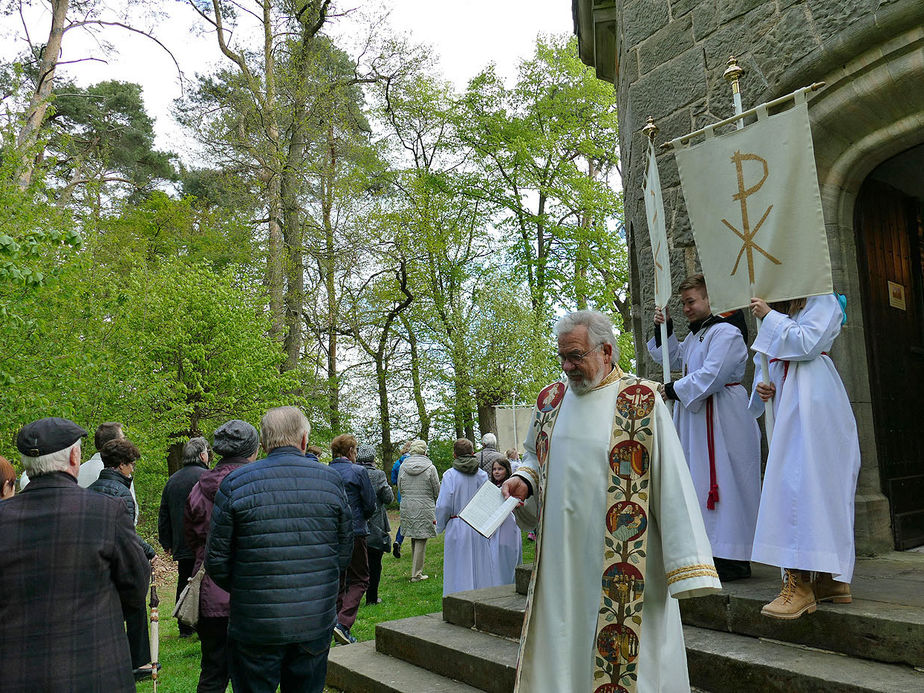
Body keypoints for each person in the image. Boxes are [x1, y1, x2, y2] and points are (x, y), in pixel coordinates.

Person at [502, 310, 721, 692]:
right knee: (563, 648)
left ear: (606, 350)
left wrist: (688, 565)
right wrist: (523, 480)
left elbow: (671, 480)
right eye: (563, 357)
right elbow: (536, 459)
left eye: (576, 356)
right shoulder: (551, 401)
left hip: (624, 562)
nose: (568, 367)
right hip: (561, 563)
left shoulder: (640, 400)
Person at [206, 406, 353, 693]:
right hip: (310, 617)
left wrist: (248, 589)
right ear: (303, 440)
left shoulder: (235, 483)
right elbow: (344, 551)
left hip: (257, 622)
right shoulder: (329, 481)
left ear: (263, 444)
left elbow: (217, 560)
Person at [0, 417, 151, 692]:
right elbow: (136, 585)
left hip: (18, 673)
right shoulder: (107, 512)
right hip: (96, 670)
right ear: (74, 456)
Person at [748, 294, 860, 619]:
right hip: (787, 398)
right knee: (794, 484)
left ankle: (801, 585)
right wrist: (761, 384)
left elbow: (806, 344)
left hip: (813, 398)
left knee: (802, 485)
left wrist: (769, 315)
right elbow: (764, 362)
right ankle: (827, 580)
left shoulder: (823, 299)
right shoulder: (779, 309)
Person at [647, 274, 761, 582]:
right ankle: (710, 551)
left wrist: (672, 390)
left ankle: (735, 556)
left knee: (728, 481)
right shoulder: (699, 335)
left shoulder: (726, 332)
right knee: (700, 482)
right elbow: (669, 356)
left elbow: (714, 373)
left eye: (691, 301)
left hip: (724, 417)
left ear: (711, 300)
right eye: (683, 303)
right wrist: (665, 327)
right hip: (698, 418)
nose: (686, 308)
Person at [185, 420, 260, 693]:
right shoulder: (257, 484)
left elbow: (192, 536)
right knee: (253, 675)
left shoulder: (197, 487)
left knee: (213, 672)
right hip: (250, 592)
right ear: (253, 450)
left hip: (211, 591)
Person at [88, 437, 158, 679]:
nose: (133, 469)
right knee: (136, 606)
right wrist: (149, 551)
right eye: (131, 464)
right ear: (120, 465)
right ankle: (139, 664)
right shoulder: (122, 493)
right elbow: (126, 535)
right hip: (117, 559)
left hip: (95, 560)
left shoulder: (90, 490)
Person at [18, 421, 137, 523]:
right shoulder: (121, 474)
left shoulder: (7, 514)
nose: (125, 441)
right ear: (73, 456)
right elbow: (132, 517)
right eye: (123, 439)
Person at [158, 436, 210, 637]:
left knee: (184, 579)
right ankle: (204, 623)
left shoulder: (173, 480)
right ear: (202, 455)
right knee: (206, 581)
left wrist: (166, 541)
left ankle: (184, 626)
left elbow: (164, 513)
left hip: (182, 541)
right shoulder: (207, 477)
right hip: (203, 540)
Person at [329, 434, 376, 645]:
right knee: (360, 578)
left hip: (331, 533)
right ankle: (343, 623)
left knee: (339, 580)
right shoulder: (358, 472)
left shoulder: (326, 472)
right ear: (351, 452)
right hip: (355, 531)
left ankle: (338, 628)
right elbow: (370, 504)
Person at [435, 438, 494, 597]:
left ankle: (457, 599)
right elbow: (487, 500)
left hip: (457, 526)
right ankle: (482, 599)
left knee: (459, 567)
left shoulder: (450, 475)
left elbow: (443, 505)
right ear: (473, 453)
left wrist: (439, 525)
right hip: (477, 525)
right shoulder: (482, 475)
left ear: (454, 455)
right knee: (478, 565)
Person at [355, 444, 393, 607]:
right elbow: (388, 498)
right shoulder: (378, 475)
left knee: (356, 564)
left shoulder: (352, 472)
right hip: (376, 524)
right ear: (372, 459)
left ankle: (353, 598)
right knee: (375, 563)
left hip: (355, 523)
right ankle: (372, 598)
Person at [397, 439, 440, 582]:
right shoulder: (430, 468)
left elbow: (400, 487)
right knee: (421, 537)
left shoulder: (403, 466)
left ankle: (416, 570)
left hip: (408, 504)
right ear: (424, 451)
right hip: (425, 505)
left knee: (416, 536)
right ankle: (416, 574)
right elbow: (436, 489)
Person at [489, 458, 522, 585]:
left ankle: (510, 580)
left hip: (509, 524)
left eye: (500, 469)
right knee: (495, 555)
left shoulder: (511, 487)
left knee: (508, 554)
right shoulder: (491, 487)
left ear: (507, 470)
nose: (496, 472)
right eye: (494, 469)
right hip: (495, 527)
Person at [390, 440, 411, 558]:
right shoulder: (415, 462)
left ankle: (398, 541)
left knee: (404, 520)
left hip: (401, 495)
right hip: (414, 493)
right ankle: (416, 545)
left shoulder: (397, 463)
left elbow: (393, 481)